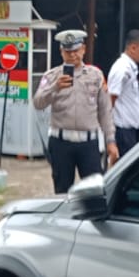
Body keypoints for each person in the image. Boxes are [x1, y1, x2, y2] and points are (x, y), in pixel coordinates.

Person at [32, 29, 116, 194]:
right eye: (68, 51)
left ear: (83, 49)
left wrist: (111, 141)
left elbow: (105, 112)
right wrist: (55, 87)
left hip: (88, 144)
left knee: (95, 191)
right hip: (60, 143)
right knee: (62, 191)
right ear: (61, 51)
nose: (72, 55)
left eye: (76, 51)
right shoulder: (52, 76)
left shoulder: (96, 75)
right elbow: (38, 102)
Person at [106, 29, 139, 160]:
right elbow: (110, 100)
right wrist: (110, 136)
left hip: (129, 131)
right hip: (122, 131)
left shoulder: (130, 68)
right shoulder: (122, 68)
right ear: (133, 48)